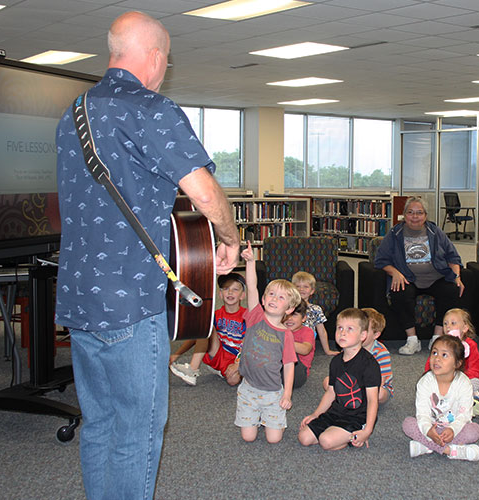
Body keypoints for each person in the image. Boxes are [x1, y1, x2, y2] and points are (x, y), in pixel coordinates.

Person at [54, 11, 240, 500]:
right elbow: (204, 194)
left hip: (77, 297)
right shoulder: (151, 108)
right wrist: (231, 238)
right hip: (130, 300)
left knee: (99, 423)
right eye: (167, 57)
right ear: (155, 56)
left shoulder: (72, 112)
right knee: (137, 431)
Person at [374, 196, 464, 355]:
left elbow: (453, 257)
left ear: (425, 215)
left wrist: (456, 276)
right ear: (404, 215)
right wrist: (394, 272)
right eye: (410, 212)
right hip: (408, 278)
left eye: (419, 213)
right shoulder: (395, 233)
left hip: (436, 277)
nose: (415, 217)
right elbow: (380, 260)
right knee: (399, 293)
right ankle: (412, 340)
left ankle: (437, 336)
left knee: (451, 290)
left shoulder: (435, 232)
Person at [235, 243, 299, 443]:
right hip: (248, 388)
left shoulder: (286, 335)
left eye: (281, 298)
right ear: (263, 299)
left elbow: (289, 366)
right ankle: (255, 418)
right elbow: (252, 286)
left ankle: (267, 419)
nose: (274, 298)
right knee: (248, 437)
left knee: (274, 440)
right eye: (271, 294)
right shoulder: (255, 317)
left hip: (272, 393)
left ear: (289, 309)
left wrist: (287, 394)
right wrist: (251, 262)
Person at [298, 308, 381, 450]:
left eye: (350, 329)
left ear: (363, 335)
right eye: (340, 328)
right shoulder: (336, 361)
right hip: (336, 412)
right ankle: (338, 434)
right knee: (304, 438)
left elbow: (373, 400)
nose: (343, 332)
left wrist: (367, 431)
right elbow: (331, 392)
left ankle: (353, 436)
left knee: (326, 441)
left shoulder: (369, 364)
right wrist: (316, 414)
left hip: (357, 417)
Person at [403, 335, 479, 461]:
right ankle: (450, 450)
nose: (437, 359)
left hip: (454, 428)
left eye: (444, 355)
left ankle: (427, 446)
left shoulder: (464, 383)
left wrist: (452, 430)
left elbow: (464, 415)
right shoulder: (425, 382)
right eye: (434, 353)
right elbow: (422, 414)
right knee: (408, 424)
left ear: (457, 363)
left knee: (474, 430)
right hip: (432, 426)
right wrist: (428, 430)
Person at [169, 273, 246, 386]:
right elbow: (197, 336)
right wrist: (176, 354)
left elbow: (247, 343)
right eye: (226, 289)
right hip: (218, 352)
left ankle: (222, 370)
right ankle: (192, 370)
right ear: (220, 294)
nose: (230, 292)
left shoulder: (247, 316)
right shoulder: (216, 315)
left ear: (242, 295)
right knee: (206, 323)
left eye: (235, 289)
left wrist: (237, 364)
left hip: (236, 357)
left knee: (233, 381)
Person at [424, 308, 479, 395]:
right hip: (443, 376)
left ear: (465, 328)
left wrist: (462, 379)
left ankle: (464, 391)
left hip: (464, 378)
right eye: (445, 323)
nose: (448, 326)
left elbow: (474, 369)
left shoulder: (471, 345)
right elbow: (430, 363)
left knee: (476, 382)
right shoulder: (440, 343)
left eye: (453, 323)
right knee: (424, 383)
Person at [292, 271, 338, 355]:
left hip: (307, 343)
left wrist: (327, 351)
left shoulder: (316, 309)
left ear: (312, 291)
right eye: (298, 286)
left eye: (305, 287)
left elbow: (322, 331)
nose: (301, 289)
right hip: (291, 339)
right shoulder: (288, 307)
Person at [285, 300, 316, 389]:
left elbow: (305, 349)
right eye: (286, 315)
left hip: (299, 372)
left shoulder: (307, 331)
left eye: (294, 315)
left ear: (303, 318)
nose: (289, 318)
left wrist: (283, 342)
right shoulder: (281, 330)